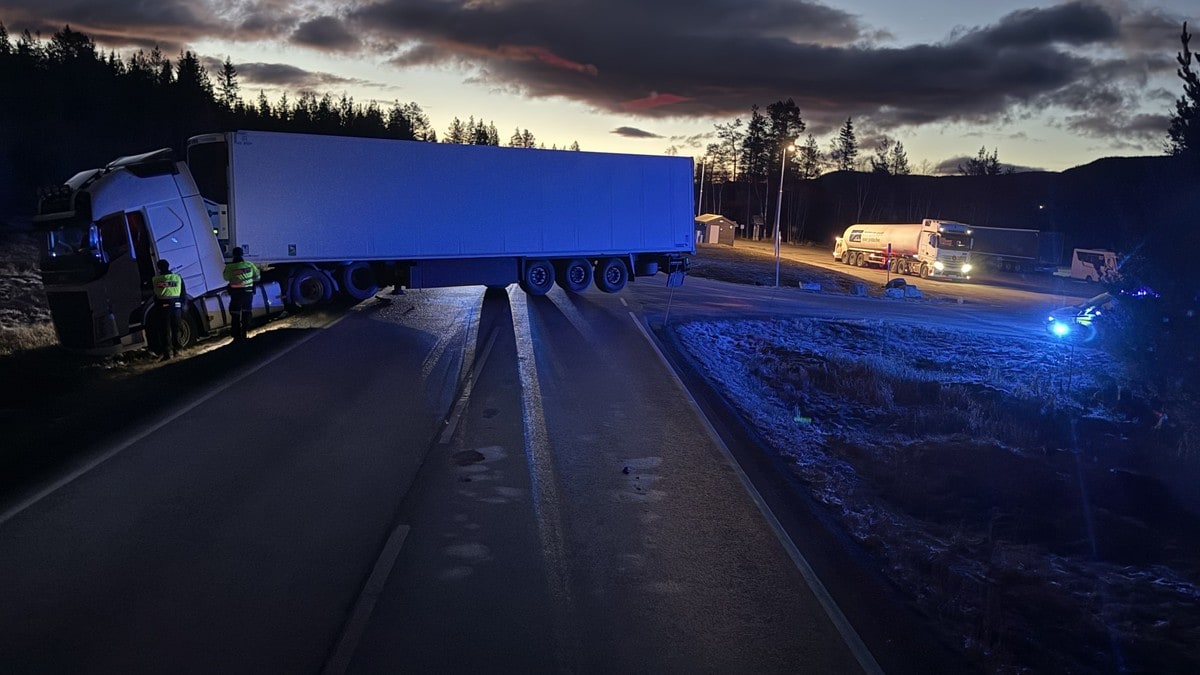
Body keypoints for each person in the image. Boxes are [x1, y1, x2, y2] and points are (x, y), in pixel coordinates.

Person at [223, 247, 261, 342]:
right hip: (248, 294)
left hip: (236, 294)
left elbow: (225, 278)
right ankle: (245, 332)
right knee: (246, 312)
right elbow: (257, 277)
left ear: (233, 255)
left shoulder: (229, 267)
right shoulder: (249, 265)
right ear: (242, 254)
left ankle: (236, 336)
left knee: (235, 313)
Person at [151, 258, 185, 360]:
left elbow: (155, 295)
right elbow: (183, 292)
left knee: (164, 330)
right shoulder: (177, 277)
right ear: (168, 266)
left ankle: (167, 354)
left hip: (163, 307)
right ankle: (177, 351)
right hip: (176, 306)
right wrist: (183, 304)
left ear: (159, 268)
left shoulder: (156, 280)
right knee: (176, 329)